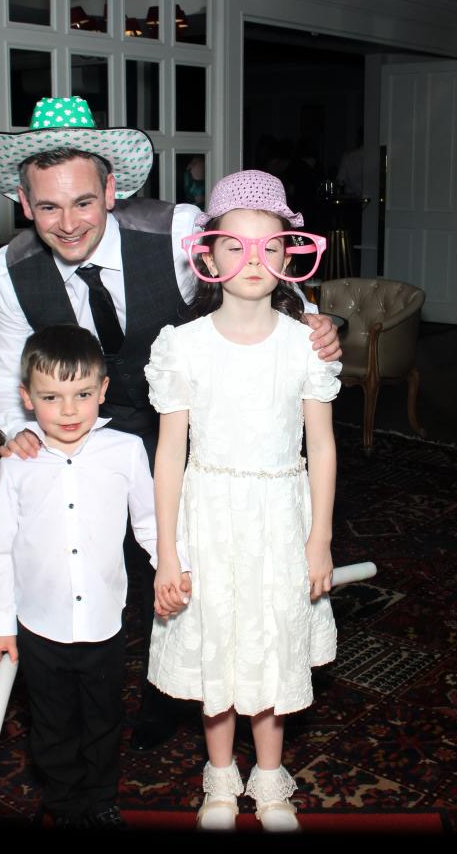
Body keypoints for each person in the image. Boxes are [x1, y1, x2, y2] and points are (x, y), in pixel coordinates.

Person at [0, 95, 341, 752]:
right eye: (49, 207)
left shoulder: (175, 229)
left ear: (111, 190)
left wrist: (309, 320)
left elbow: (253, 259)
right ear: (23, 204)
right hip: (84, 422)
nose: (68, 223)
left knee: (181, 552)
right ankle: (88, 679)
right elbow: (5, 368)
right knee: (87, 548)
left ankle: (168, 693)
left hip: (181, 416)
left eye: (83, 201)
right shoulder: (9, 269)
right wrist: (15, 427)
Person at [144, 170, 339, 832]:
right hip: (209, 520)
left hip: (281, 520)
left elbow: (322, 446)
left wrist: (320, 540)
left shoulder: (305, 343)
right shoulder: (182, 346)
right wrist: (168, 552)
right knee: (218, 645)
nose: (253, 260)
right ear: (208, 255)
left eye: (268, 246)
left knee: (272, 644)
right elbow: (170, 453)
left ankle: (271, 782)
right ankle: (221, 780)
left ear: (288, 255)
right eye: (235, 246)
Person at [0, 324, 189, 828]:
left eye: (82, 394)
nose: (68, 410)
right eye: (51, 397)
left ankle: (101, 798)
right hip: (39, 624)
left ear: (103, 390)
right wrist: (1, 625)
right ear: (27, 398)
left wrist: (173, 567)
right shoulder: (16, 465)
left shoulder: (125, 450)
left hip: (103, 622)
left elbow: (149, 522)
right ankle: (66, 805)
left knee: (103, 717)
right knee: (51, 723)